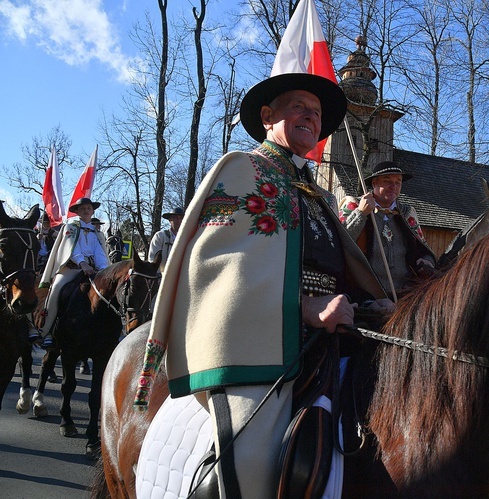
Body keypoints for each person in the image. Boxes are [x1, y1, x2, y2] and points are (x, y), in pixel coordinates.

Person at [133, 72, 393, 498]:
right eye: (300, 108)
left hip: (330, 335)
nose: (311, 117)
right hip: (263, 339)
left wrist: (372, 302)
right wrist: (303, 307)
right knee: (251, 458)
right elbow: (214, 265)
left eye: (317, 113)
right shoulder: (242, 170)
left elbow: (339, 264)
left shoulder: (316, 194)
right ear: (268, 116)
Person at [338, 161, 436, 297]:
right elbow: (340, 242)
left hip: (404, 294)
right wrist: (361, 213)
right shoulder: (354, 205)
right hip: (363, 294)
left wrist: (427, 261)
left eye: (398, 182)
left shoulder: (407, 213)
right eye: (387, 181)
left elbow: (423, 249)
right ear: (374, 183)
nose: (393, 187)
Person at [36, 197, 110, 349]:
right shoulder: (71, 227)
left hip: (93, 270)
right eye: (82, 209)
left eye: (89, 208)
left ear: (93, 211)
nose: (86, 211)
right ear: (77, 212)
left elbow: (100, 253)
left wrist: (104, 270)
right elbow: (72, 248)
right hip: (71, 268)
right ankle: (47, 330)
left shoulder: (96, 233)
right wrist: (83, 264)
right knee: (56, 290)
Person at [147, 207, 184, 272]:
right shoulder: (160, 236)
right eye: (175, 218)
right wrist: (158, 277)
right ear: (170, 220)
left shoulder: (186, 238)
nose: (179, 221)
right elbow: (153, 260)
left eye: (181, 218)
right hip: (162, 277)